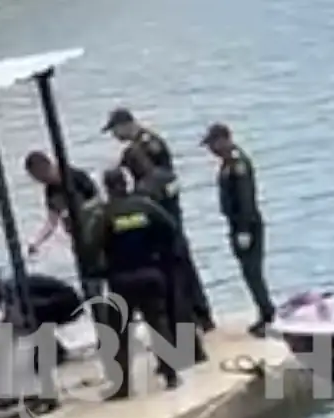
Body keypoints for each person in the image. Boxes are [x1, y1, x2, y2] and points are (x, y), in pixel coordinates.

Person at [104, 108, 216, 332]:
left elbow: (162, 180)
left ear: (125, 125)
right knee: (177, 264)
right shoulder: (136, 149)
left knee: (178, 264)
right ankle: (194, 314)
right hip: (159, 211)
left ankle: (198, 315)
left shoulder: (148, 146)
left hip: (163, 212)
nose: (115, 136)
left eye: (115, 130)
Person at [88, 167, 186, 397]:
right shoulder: (145, 207)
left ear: (107, 188)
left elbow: (92, 247)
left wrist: (101, 270)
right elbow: (171, 230)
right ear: (126, 182)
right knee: (158, 324)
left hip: (121, 279)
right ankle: (171, 375)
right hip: (150, 274)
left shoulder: (105, 215)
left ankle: (122, 387)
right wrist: (163, 258)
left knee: (120, 333)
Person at [201, 122, 276, 337]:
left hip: (247, 225)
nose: (211, 150)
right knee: (248, 273)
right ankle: (264, 311)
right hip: (236, 225)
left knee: (253, 272)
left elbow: (245, 198)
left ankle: (268, 314)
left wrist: (244, 229)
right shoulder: (228, 163)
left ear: (224, 139)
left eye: (213, 144)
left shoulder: (237, 163)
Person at [23, 150, 100, 257]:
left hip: (97, 234)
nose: (38, 181)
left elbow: (98, 202)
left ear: (43, 168)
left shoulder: (76, 177)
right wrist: (36, 243)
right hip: (78, 238)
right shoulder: (50, 191)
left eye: (37, 176)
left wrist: (77, 213)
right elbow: (52, 221)